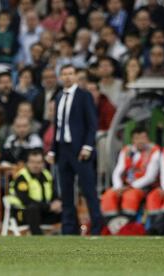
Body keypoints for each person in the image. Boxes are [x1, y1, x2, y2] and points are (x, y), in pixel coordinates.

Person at [47, 64, 103, 235]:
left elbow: (92, 124)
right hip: (63, 149)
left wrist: (87, 146)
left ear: (76, 76)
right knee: (66, 191)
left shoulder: (84, 96)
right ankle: (69, 229)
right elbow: (57, 126)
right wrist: (53, 150)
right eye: (64, 74)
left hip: (80, 149)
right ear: (60, 77)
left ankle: (97, 228)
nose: (67, 77)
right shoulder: (58, 97)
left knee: (88, 190)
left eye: (70, 74)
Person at [101, 127, 160, 222]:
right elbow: (118, 171)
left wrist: (130, 187)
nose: (140, 141)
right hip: (124, 186)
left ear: (148, 139)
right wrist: (118, 187)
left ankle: (126, 223)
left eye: (143, 138)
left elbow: (150, 177)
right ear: (132, 140)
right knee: (109, 195)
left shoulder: (154, 151)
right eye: (137, 138)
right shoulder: (127, 150)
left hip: (143, 187)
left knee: (130, 196)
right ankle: (111, 224)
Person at [9, 149, 62, 235]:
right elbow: (25, 200)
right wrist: (48, 207)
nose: (36, 165)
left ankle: (73, 235)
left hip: (43, 212)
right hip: (23, 214)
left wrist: (58, 202)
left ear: (43, 164)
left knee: (67, 208)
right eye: (32, 162)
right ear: (27, 163)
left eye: (39, 162)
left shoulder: (47, 175)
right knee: (32, 208)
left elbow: (53, 194)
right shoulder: (22, 177)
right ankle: (38, 237)